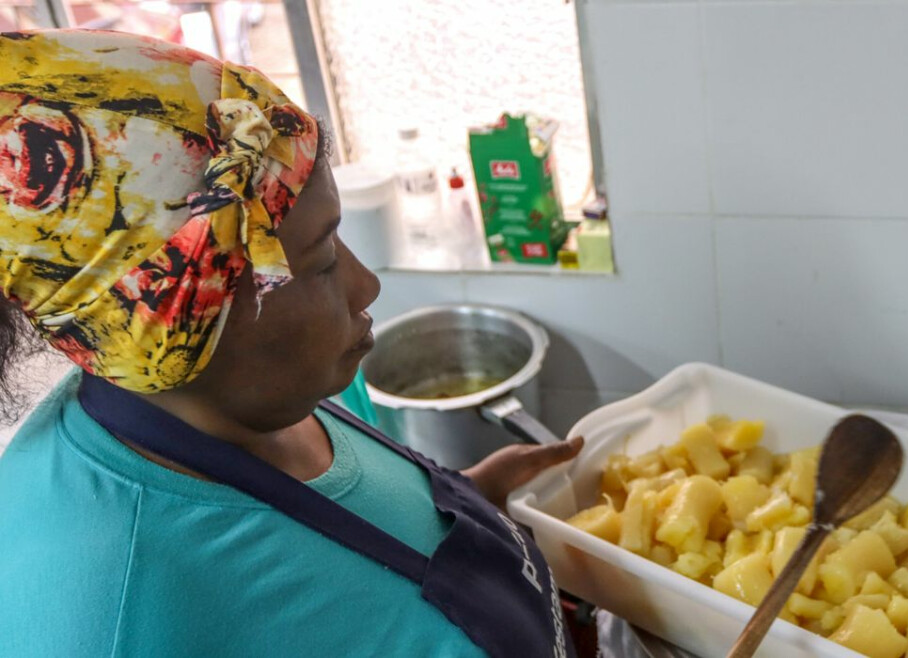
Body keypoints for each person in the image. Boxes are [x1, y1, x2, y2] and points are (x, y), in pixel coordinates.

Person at [0, 29, 582, 657]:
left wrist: (475, 505)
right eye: (324, 258)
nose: (367, 285)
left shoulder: (272, 392)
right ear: (186, 322)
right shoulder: (108, 619)